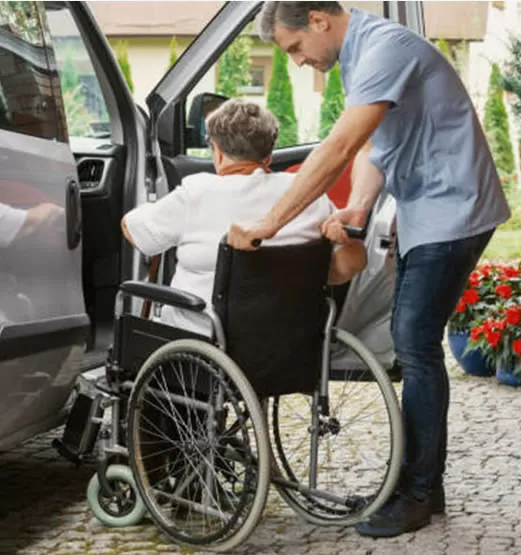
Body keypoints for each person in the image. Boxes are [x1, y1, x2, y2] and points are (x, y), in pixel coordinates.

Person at [227, 2, 511, 538]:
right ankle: (424, 482)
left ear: (318, 20)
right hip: (427, 210)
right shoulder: (361, 56)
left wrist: (269, 222)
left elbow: (338, 147)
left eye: (294, 49)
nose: (299, 62)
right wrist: (358, 206)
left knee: (415, 346)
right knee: (415, 345)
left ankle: (419, 493)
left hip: (453, 211)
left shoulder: (385, 49)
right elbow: (374, 148)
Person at [122, 98, 366, 337]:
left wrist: (146, 209)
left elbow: (134, 232)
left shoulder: (196, 193)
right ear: (268, 156)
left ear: (217, 153)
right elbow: (345, 267)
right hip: (288, 343)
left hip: (202, 343)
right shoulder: (309, 196)